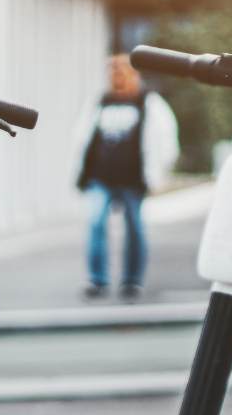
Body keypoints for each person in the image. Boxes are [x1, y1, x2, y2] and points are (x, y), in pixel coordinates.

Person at [72, 54, 180, 300]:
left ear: (135, 74)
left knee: (135, 228)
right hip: (101, 178)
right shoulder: (99, 102)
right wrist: (81, 172)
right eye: (113, 71)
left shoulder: (149, 103)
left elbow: (165, 141)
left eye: (122, 71)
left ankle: (132, 281)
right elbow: (82, 138)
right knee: (96, 223)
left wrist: (156, 174)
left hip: (133, 179)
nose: (117, 76)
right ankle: (97, 280)